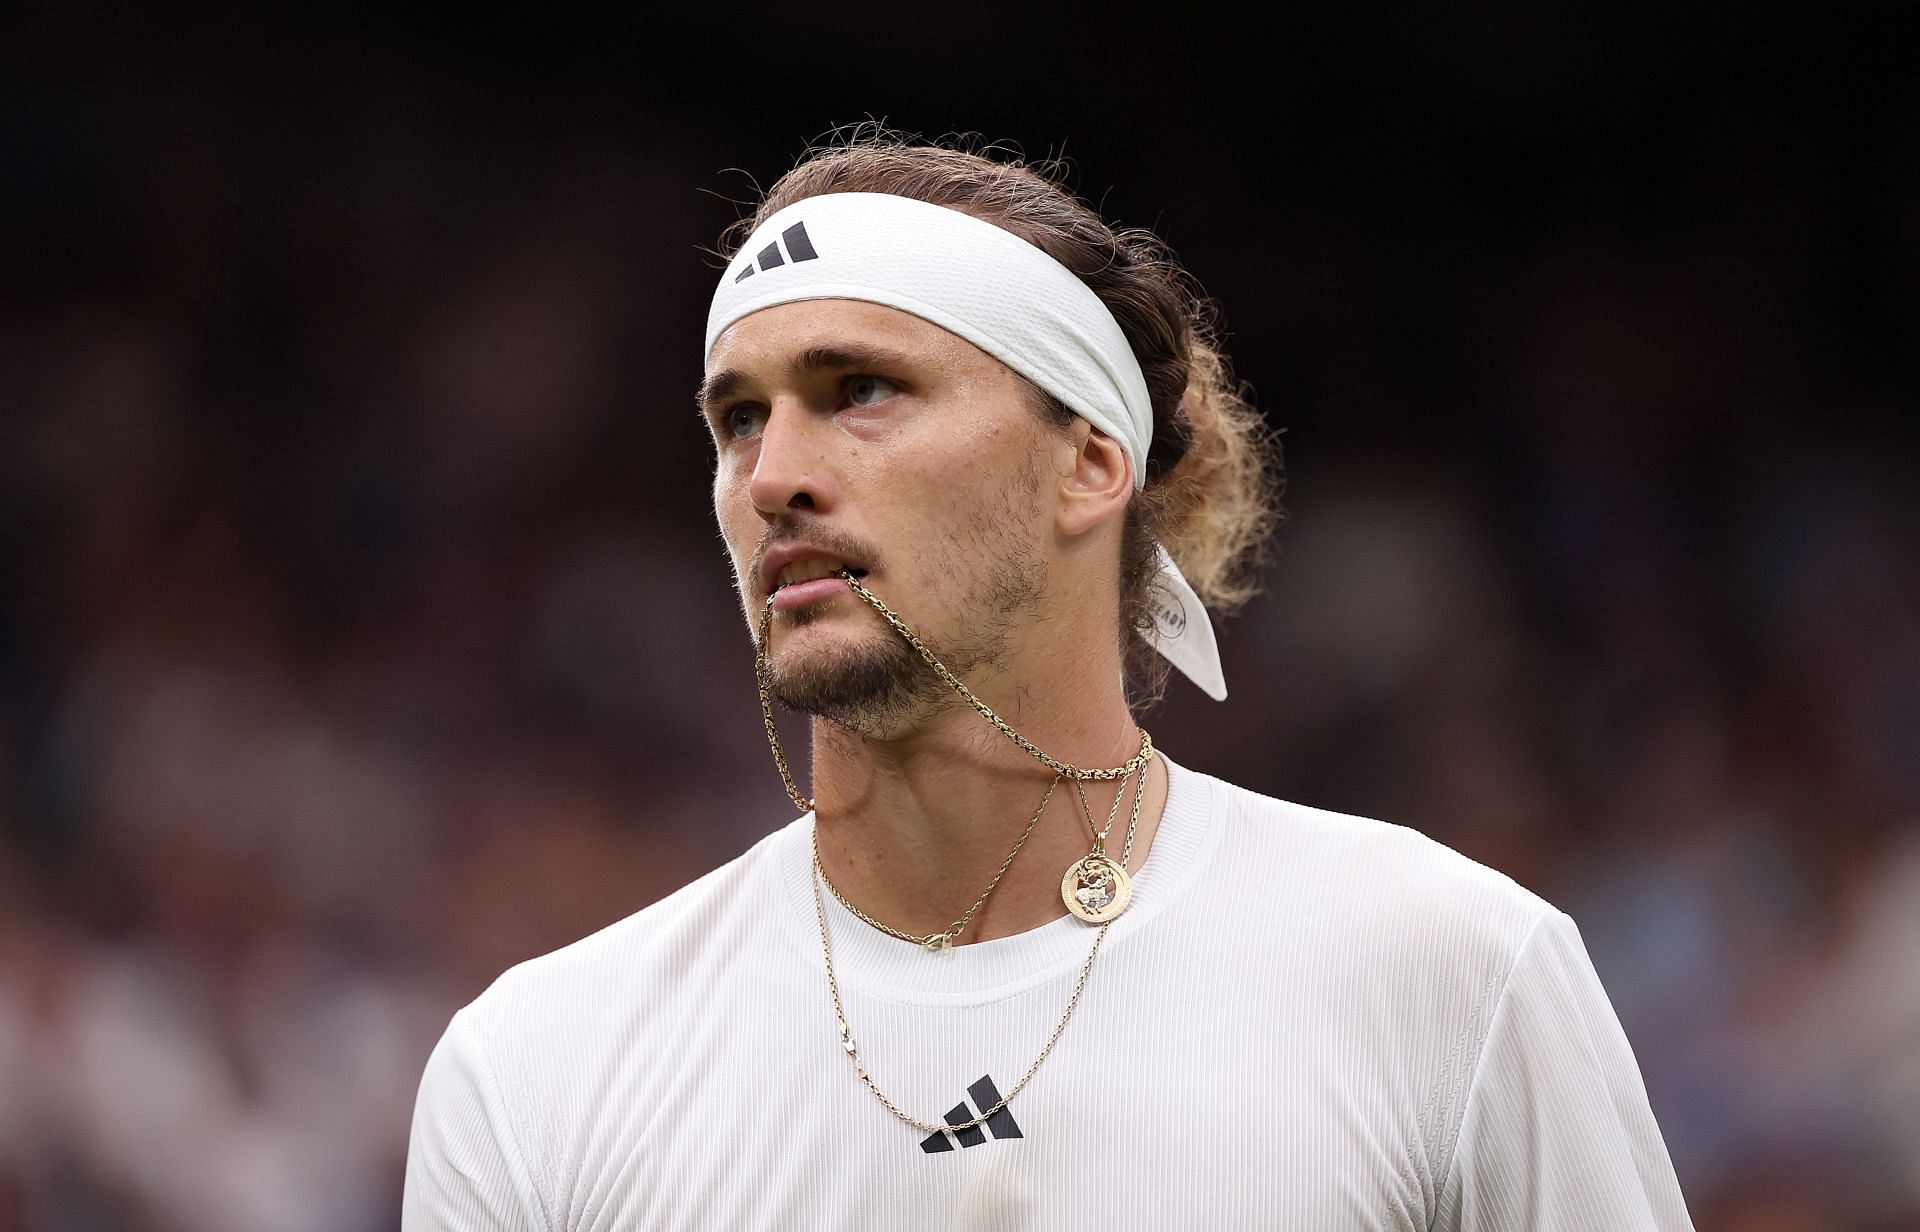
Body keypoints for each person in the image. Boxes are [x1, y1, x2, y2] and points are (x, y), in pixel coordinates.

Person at [402, 136, 1695, 1230]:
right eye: (738, 418)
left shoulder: (1453, 973)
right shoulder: (534, 1075)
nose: (773, 474)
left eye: (860, 390)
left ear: (1089, 463)